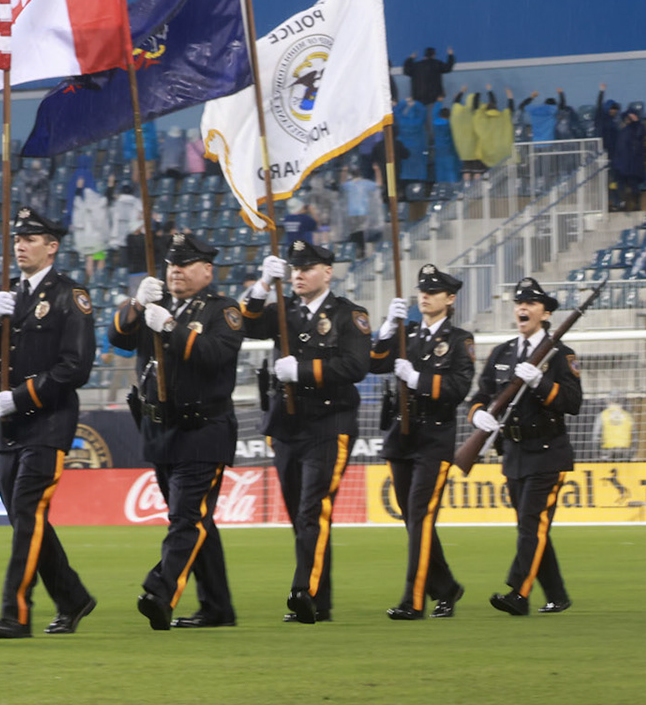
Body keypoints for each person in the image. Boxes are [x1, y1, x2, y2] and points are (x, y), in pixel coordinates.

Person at [0, 206, 97, 639]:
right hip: (11, 429)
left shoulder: (69, 297)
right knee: (26, 518)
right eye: (18, 239)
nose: (20, 245)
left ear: (52, 247)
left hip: (47, 422)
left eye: (31, 239)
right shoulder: (6, 296)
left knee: (26, 510)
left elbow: (75, 368)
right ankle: (72, 596)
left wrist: (19, 397)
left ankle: (15, 612)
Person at [106, 229, 243, 630]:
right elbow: (117, 338)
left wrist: (170, 328)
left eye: (184, 265)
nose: (175, 272)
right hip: (161, 430)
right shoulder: (156, 303)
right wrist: (135, 304)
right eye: (170, 265)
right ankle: (217, 607)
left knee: (186, 518)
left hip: (204, 430)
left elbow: (216, 356)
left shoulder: (223, 310)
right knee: (198, 522)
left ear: (207, 270)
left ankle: (161, 591)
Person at [241, 238, 372, 624]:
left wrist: (301, 371)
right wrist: (262, 285)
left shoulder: (350, 315)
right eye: (294, 269)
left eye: (307, 268)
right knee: (301, 516)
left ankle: (304, 591)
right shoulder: (283, 310)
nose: (298, 274)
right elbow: (245, 325)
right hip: (287, 425)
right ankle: (320, 599)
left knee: (313, 510)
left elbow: (355, 367)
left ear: (327, 272)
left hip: (329, 424)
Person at [367, 264, 475, 620]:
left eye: (433, 291)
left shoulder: (460, 340)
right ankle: (446, 588)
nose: (424, 295)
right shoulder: (408, 334)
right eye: (421, 291)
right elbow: (374, 363)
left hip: (434, 438)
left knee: (420, 514)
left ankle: (414, 599)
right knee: (415, 519)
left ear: (450, 298)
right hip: (402, 436)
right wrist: (385, 329)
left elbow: (458, 388)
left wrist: (417, 378)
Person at [472, 277, 583, 615]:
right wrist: (479, 416)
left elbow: (573, 402)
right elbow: (480, 395)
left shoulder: (561, 354)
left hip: (548, 452)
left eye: (531, 303)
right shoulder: (502, 353)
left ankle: (518, 594)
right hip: (514, 453)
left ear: (545, 313)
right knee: (531, 527)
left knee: (532, 524)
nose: (522, 307)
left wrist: (541, 382)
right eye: (519, 302)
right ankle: (557, 594)